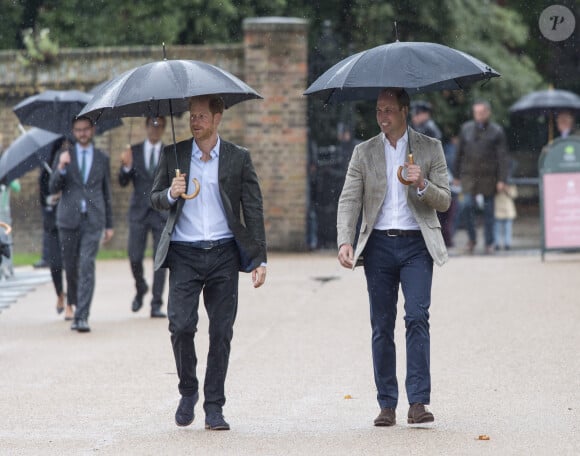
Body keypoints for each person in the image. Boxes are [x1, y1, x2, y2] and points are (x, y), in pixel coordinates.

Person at [150, 95, 267, 431]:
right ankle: (188, 390)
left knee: (221, 331)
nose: (195, 121)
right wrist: (171, 192)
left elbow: (253, 208)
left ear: (218, 118)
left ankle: (214, 405)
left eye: (202, 115)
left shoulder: (237, 158)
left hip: (224, 254)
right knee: (181, 325)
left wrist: (260, 258)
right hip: (184, 253)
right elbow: (155, 198)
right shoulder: (173, 154)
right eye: (192, 115)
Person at [337, 88, 451, 427]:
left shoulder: (430, 148)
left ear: (405, 110)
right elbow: (349, 199)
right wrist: (345, 240)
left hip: (417, 246)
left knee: (417, 317)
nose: (382, 116)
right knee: (381, 325)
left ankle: (418, 402)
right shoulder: (364, 152)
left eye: (389, 110)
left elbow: (444, 200)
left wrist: (422, 185)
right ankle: (386, 403)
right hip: (379, 247)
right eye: (378, 110)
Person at [49, 116, 114, 333]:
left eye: (86, 129)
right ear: (73, 132)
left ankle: (82, 315)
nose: (83, 133)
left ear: (93, 130)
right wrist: (61, 168)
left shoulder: (102, 158)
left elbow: (107, 193)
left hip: (93, 220)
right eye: (78, 130)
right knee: (71, 267)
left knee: (87, 265)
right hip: (68, 219)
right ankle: (74, 303)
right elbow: (52, 186)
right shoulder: (64, 155)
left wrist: (109, 225)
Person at [119, 116, 168, 318]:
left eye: (159, 126)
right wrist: (126, 166)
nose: (155, 130)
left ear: (164, 128)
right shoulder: (134, 151)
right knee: (134, 256)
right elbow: (122, 181)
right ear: (146, 126)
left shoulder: (169, 153)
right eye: (152, 125)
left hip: (160, 213)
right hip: (139, 212)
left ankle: (156, 303)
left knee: (160, 259)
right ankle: (141, 288)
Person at [453, 101, 508, 255]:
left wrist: (502, 180)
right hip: (469, 176)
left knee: (489, 211)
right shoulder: (466, 129)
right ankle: (472, 238)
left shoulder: (496, 131)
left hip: (489, 177)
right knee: (466, 206)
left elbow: (502, 157)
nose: (479, 115)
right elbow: (458, 153)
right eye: (476, 112)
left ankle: (489, 242)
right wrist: (456, 175)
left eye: (482, 112)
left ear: (488, 113)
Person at [40, 139, 67, 317]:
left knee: (73, 264)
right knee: (55, 263)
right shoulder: (46, 171)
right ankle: (59, 294)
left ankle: (72, 299)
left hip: (71, 220)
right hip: (53, 222)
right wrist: (53, 197)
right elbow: (43, 198)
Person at [0, 178, 21, 279]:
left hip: (4, 212)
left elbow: (17, 187)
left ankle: (8, 266)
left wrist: (8, 181)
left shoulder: (6, 175)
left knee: (5, 241)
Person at [494, 183, 517, 251]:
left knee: (508, 229)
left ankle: (507, 244)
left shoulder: (510, 183)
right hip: (497, 209)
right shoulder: (495, 183)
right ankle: (497, 243)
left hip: (508, 210)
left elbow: (514, 195)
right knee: (497, 229)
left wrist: (507, 189)